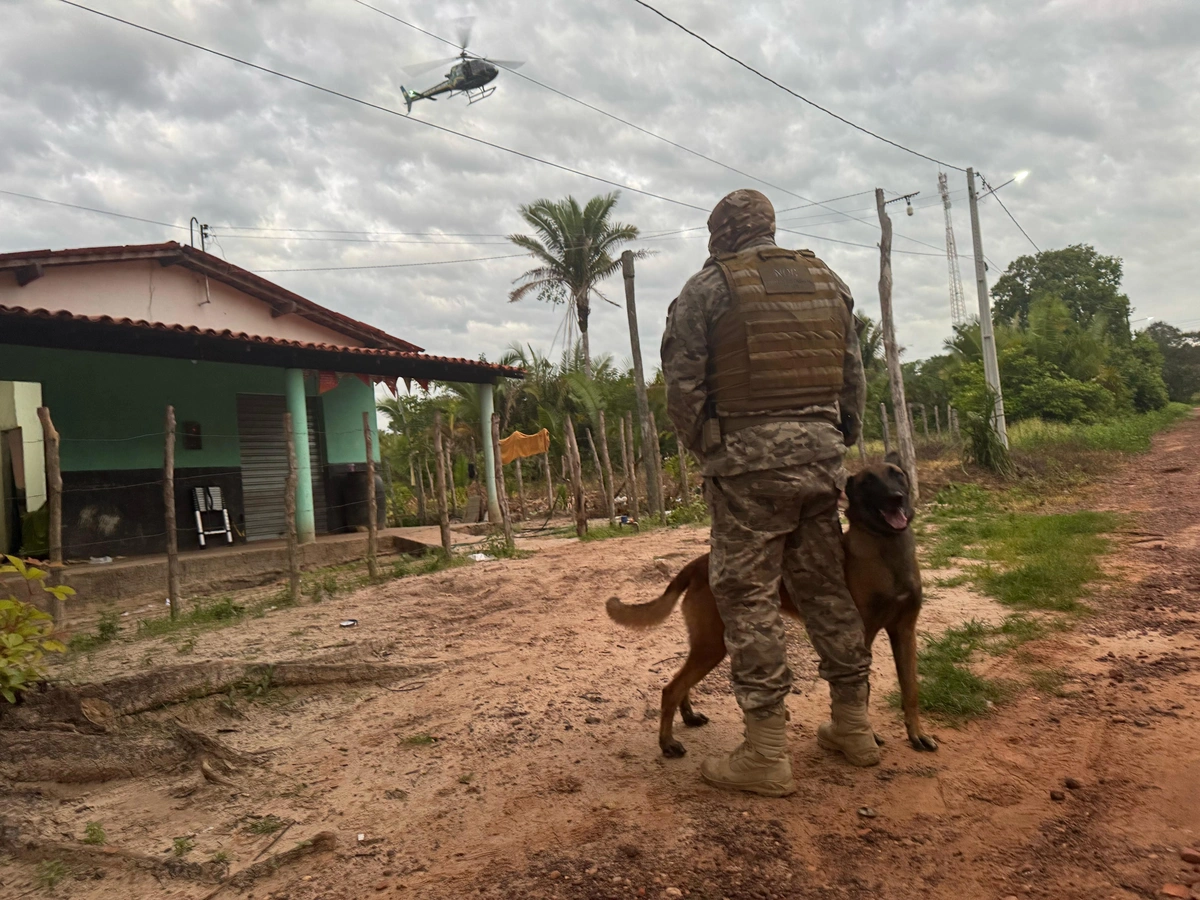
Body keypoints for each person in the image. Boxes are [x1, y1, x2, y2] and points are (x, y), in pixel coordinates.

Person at [660, 188, 878, 797]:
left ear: (722, 233)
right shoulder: (828, 280)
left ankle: (765, 753)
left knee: (747, 596)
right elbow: (853, 375)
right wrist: (835, 439)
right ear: (770, 227)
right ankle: (854, 728)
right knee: (826, 590)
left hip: (748, 467)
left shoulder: (707, 289)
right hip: (820, 460)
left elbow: (681, 384)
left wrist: (709, 450)